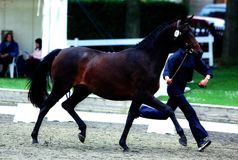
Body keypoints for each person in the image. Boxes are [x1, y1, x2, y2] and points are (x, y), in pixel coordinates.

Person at [139, 48, 213, 152]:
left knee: (164, 114)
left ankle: (140, 111)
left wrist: (206, 79)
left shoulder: (193, 56)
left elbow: (207, 70)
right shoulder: (176, 56)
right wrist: (167, 79)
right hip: (173, 89)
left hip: (180, 89)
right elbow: (166, 72)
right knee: (189, 111)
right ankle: (200, 140)